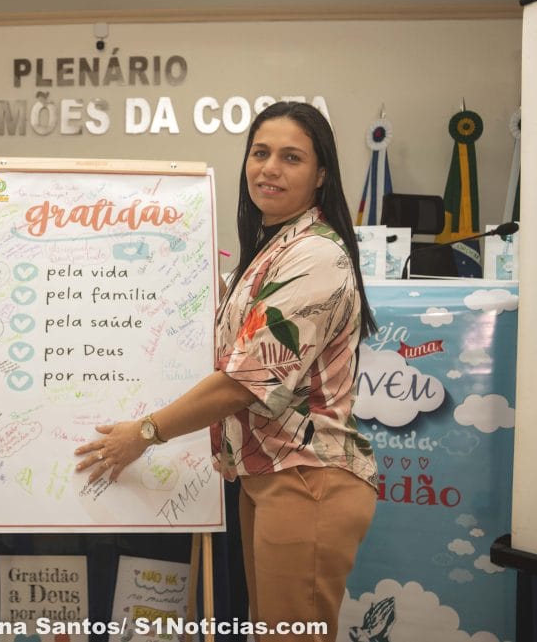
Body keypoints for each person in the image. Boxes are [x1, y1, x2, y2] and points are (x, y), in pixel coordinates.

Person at [76, 101, 379, 641]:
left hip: (307, 478)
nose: (269, 168)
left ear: (321, 174)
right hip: (270, 478)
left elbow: (245, 381)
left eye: (291, 157)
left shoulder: (314, 255)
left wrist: (145, 433)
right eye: (260, 153)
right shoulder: (272, 249)